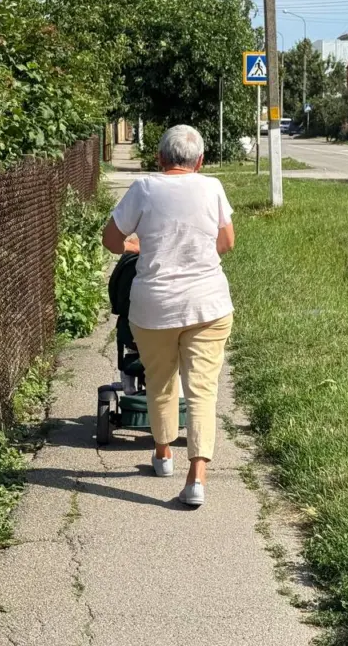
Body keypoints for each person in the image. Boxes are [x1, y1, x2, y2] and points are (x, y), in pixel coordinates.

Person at [102, 125, 236, 508]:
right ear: (200, 161)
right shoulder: (212, 187)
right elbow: (226, 242)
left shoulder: (144, 188)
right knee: (203, 391)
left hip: (153, 307)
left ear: (159, 159)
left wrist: (138, 244)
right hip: (208, 306)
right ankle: (197, 478)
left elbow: (112, 241)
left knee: (160, 382)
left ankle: (163, 455)